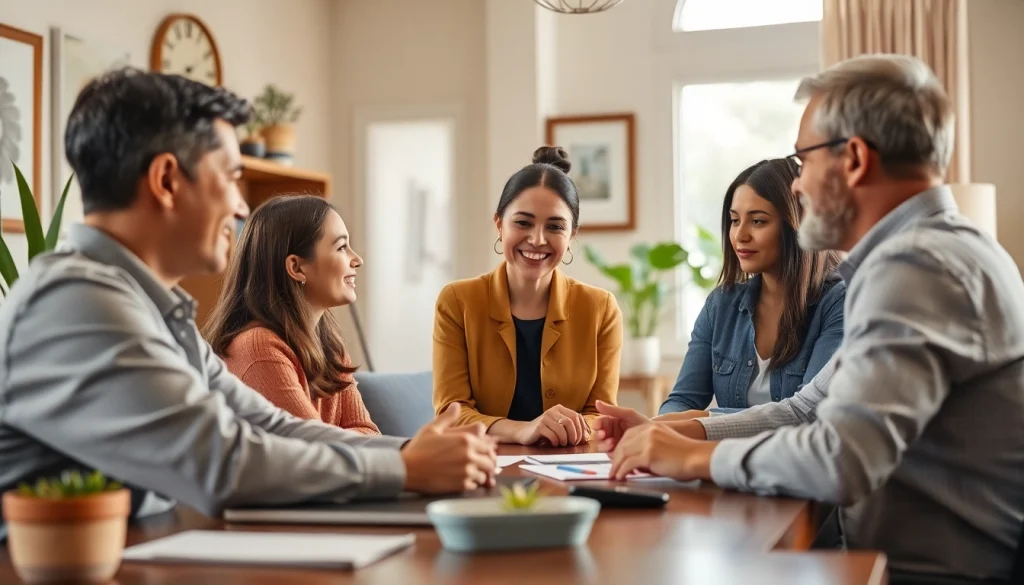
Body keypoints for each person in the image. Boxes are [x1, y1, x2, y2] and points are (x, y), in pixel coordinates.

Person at [0, 68, 496, 535]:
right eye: (231, 177)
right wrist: (402, 467)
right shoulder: (76, 303)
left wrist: (415, 451)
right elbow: (220, 461)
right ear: (167, 180)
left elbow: (269, 425)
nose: (241, 206)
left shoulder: (149, 308)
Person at [593, 54, 1024, 582]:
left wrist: (690, 461)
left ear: (856, 159)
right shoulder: (929, 254)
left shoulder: (917, 267)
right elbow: (804, 411)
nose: (797, 185)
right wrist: (682, 435)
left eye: (806, 159)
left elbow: (840, 456)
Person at [432, 146, 623, 447]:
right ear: (499, 224)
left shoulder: (601, 308)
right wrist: (522, 430)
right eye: (523, 222)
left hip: (570, 466)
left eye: (555, 227)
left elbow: (601, 414)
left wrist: (569, 428)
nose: (537, 239)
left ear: (572, 235)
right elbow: (451, 412)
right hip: (483, 464)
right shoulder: (458, 301)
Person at [659, 158, 844, 416]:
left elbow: (809, 416)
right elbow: (683, 400)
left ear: (796, 224)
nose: (740, 235)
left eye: (757, 221)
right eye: (735, 220)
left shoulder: (839, 303)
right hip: (723, 457)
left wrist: (703, 420)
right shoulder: (720, 305)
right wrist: (654, 427)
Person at [204, 195, 380, 435]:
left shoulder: (329, 346)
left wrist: (343, 442)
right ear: (296, 267)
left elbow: (369, 432)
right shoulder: (258, 349)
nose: (357, 259)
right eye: (341, 247)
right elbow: (316, 450)